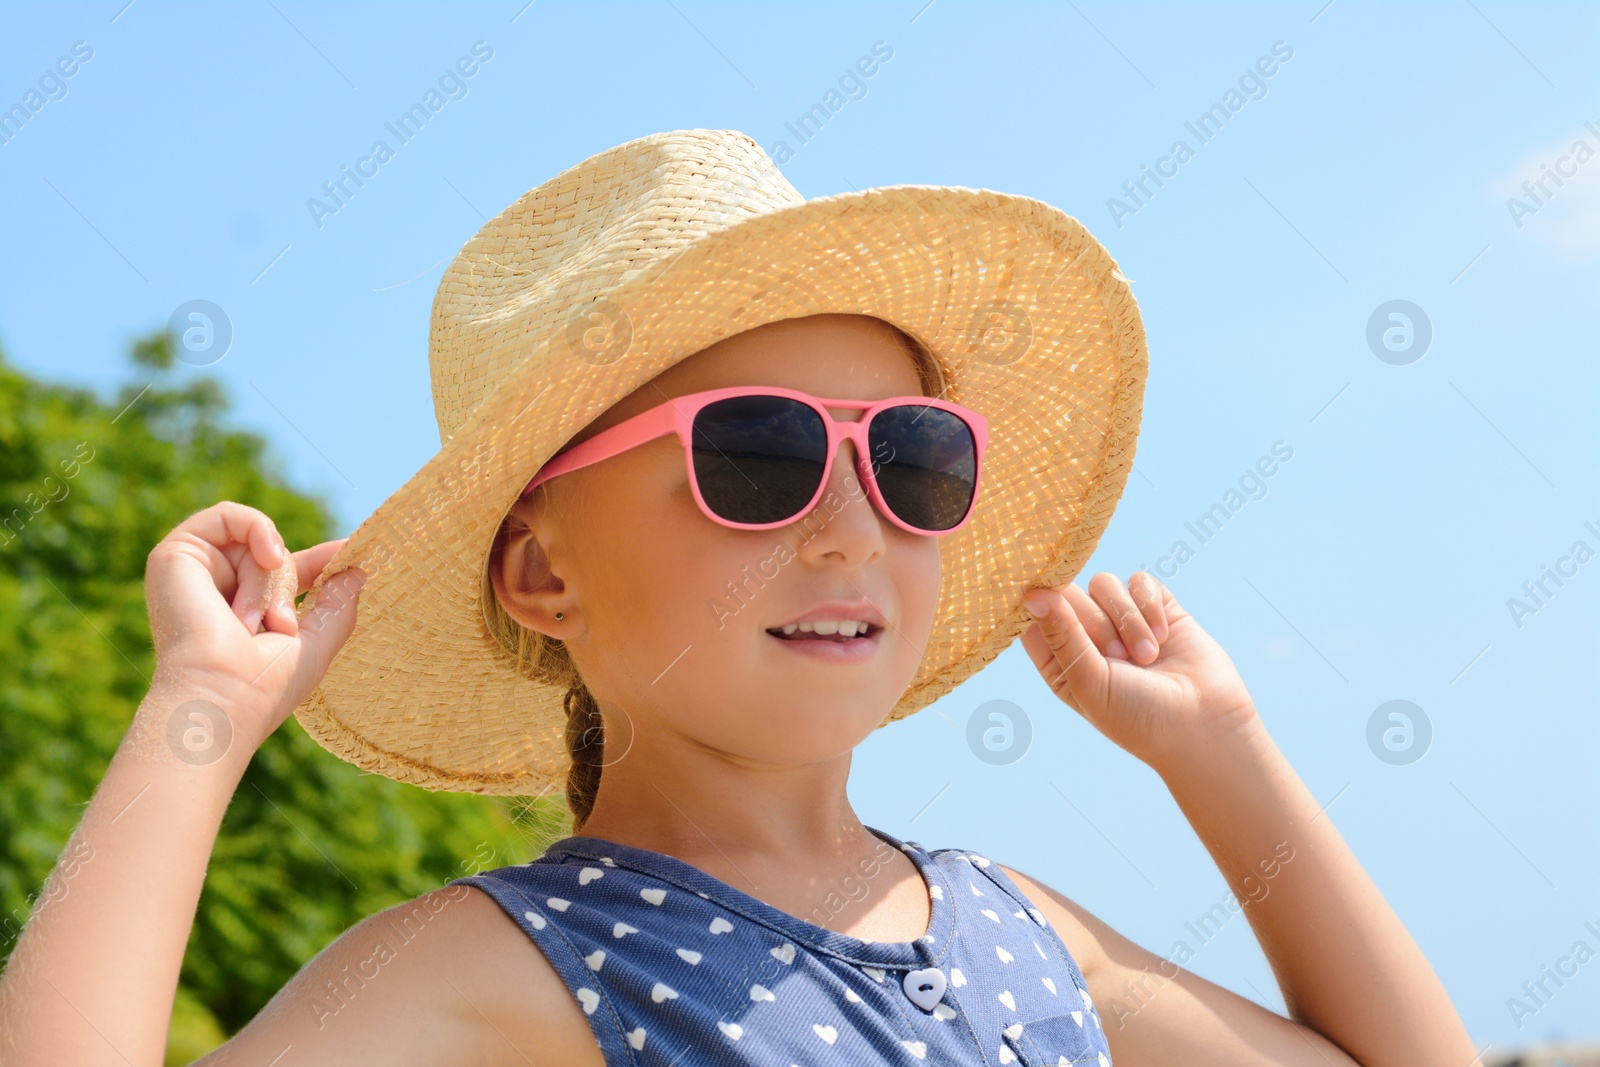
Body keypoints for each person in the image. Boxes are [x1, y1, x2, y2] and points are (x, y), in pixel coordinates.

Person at [0, 129, 1478, 1066]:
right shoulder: (499, 967)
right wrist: (199, 712)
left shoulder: (1021, 937)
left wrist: (1219, 753)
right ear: (543, 571)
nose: (850, 524)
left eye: (912, 457)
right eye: (757, 455)